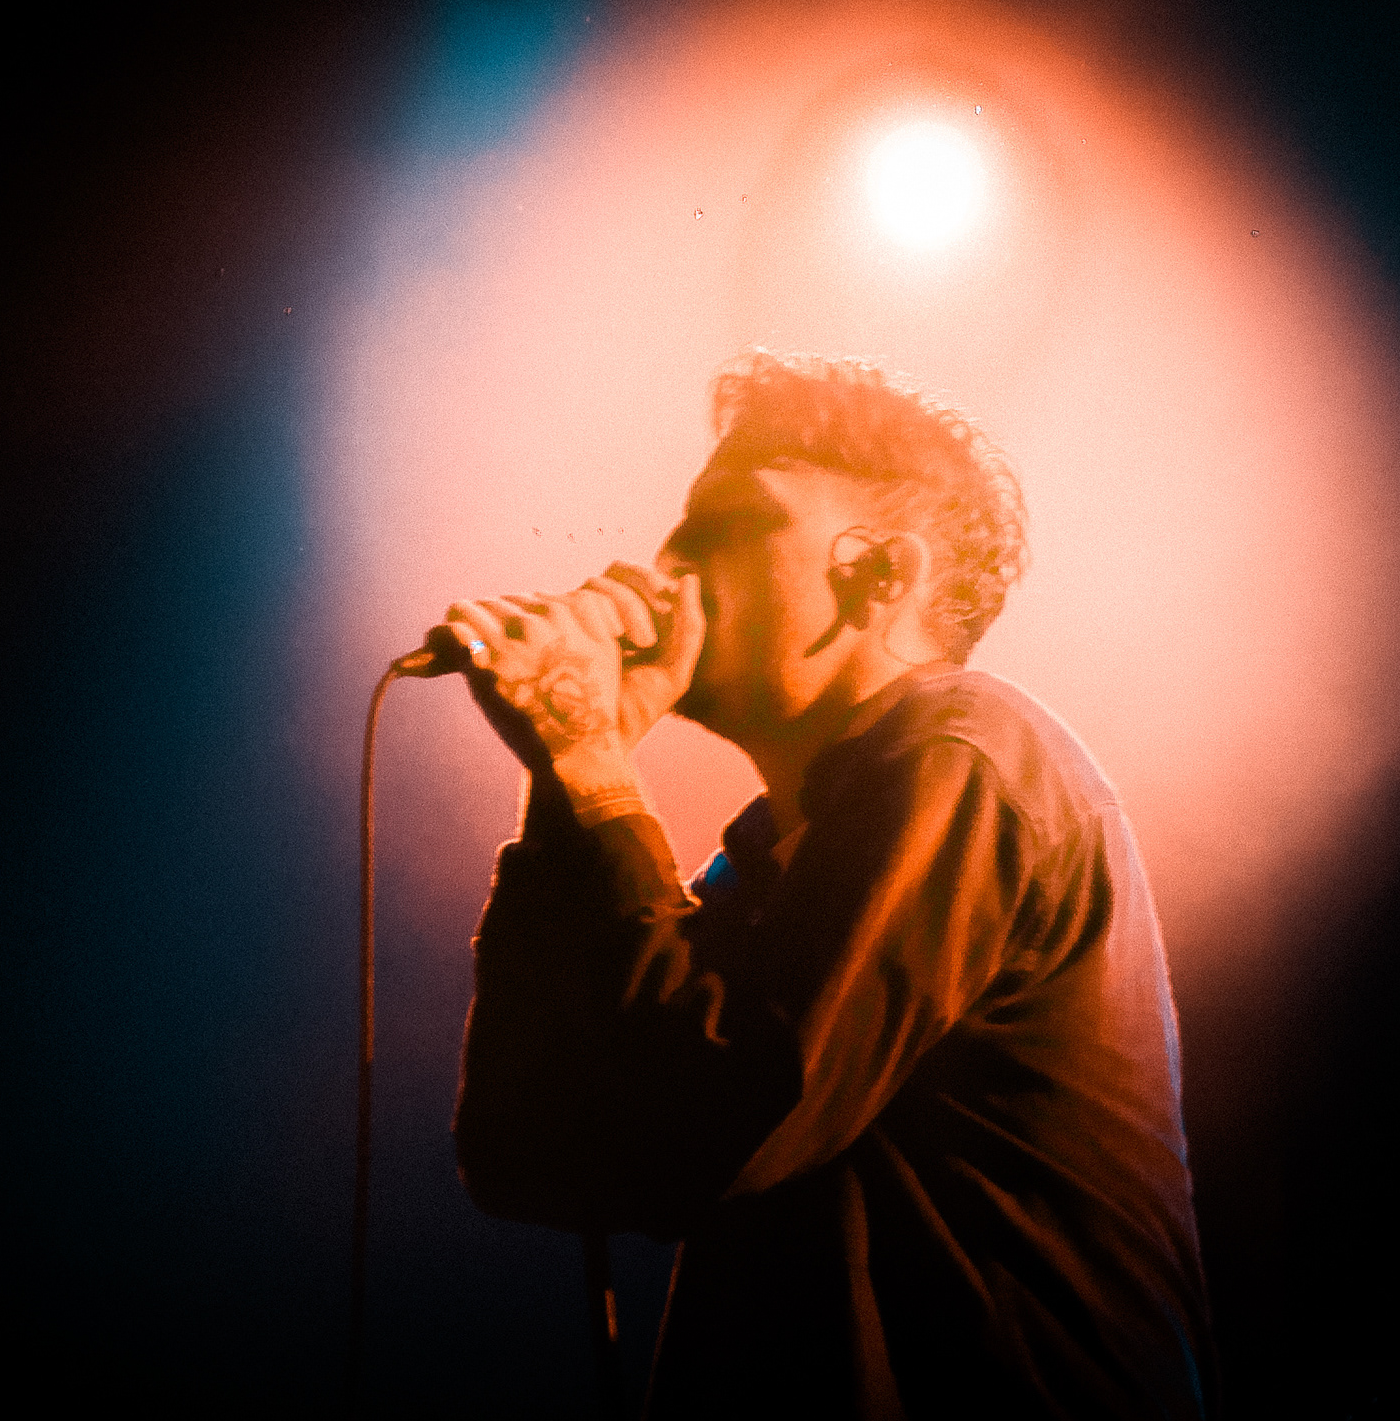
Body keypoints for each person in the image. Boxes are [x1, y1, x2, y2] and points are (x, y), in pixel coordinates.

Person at [442, 352, 1216, 1418]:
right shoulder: (761, 863)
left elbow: (736, 1105)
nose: (665, 566)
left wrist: (592, 767)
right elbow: (522, 1149)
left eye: (727, 525)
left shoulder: (969, 749)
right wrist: (566, 773)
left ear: (880, 573)